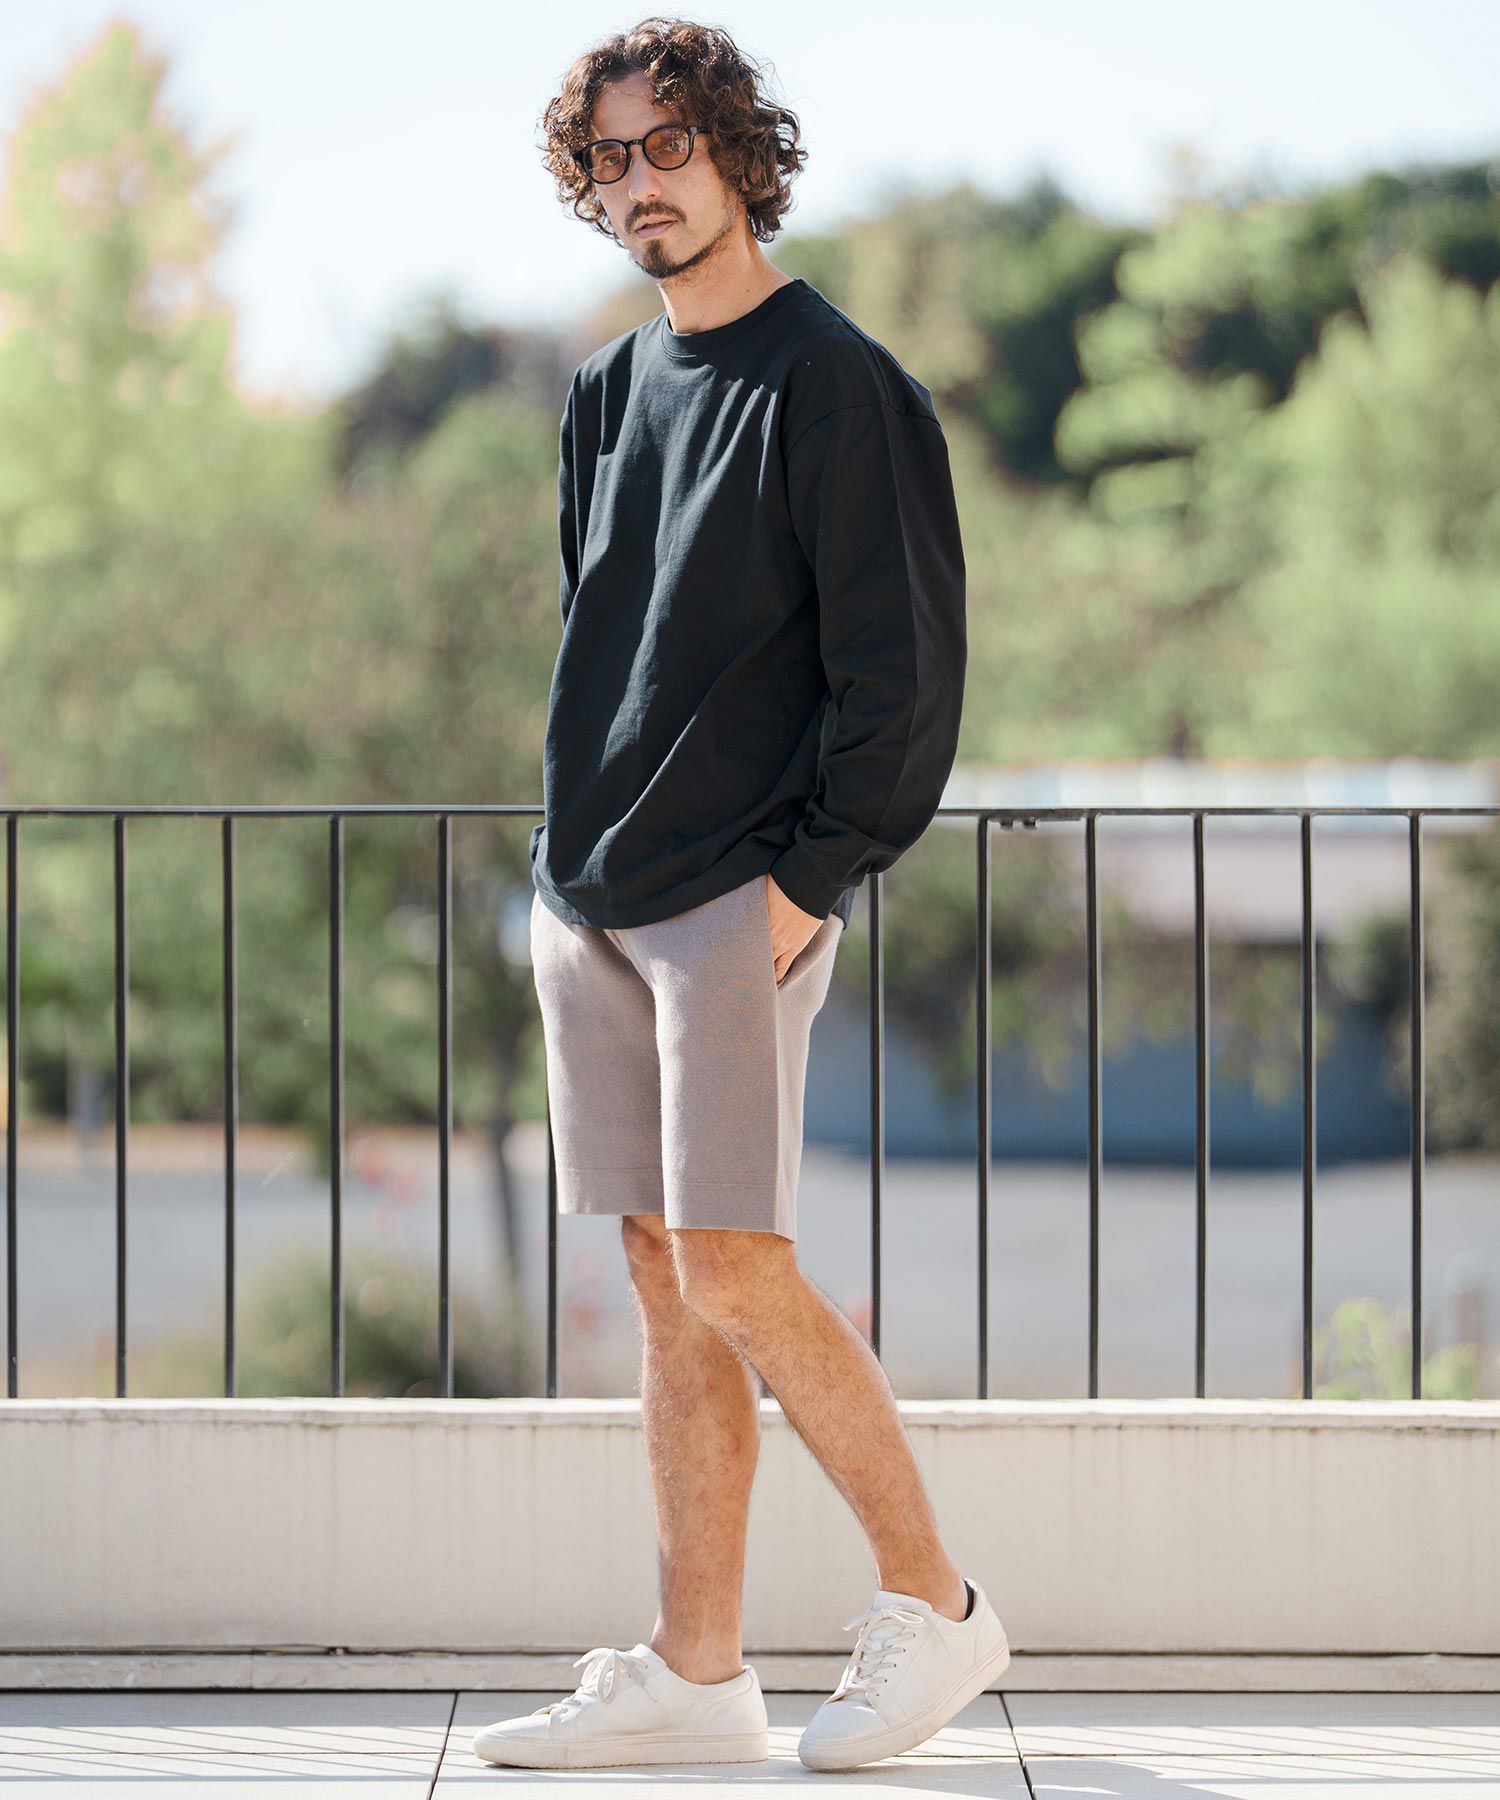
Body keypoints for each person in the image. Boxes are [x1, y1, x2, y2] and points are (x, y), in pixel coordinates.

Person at [473, 16, 1009, 1775]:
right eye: (610, 158)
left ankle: (937, 1603)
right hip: (594, 893)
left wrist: (807, 884)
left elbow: (901, 679)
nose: (640, 183)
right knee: (663, 1276)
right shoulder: (604, 395)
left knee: (736, 1266)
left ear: (735, 155)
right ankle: (698, 1673)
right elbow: (610, 639)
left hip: (739, 896)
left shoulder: (840, 388)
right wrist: (571, 873)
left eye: (668, 146)